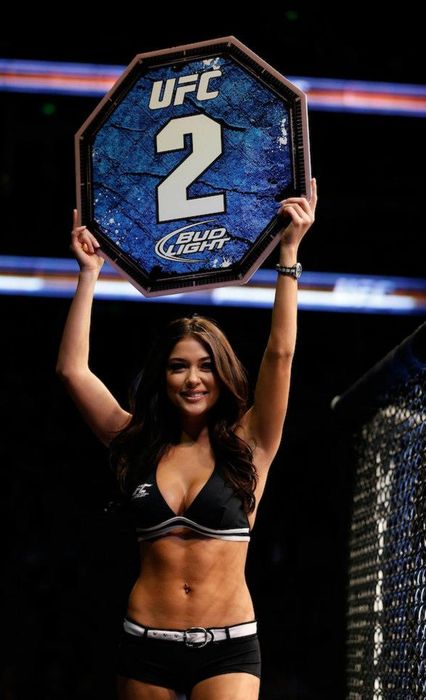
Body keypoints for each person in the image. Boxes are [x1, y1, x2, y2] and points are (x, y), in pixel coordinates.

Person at [56, 179, 317, 700]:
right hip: (144, 645)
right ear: (163, 378)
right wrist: (88, 275)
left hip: (229, 648)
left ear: (222, 376)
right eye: (178, 368)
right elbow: (71, 371)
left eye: (205, 367)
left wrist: (288, 255)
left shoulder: (250, 445)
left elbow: (280, 355)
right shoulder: (135, 442)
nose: (193, 379)